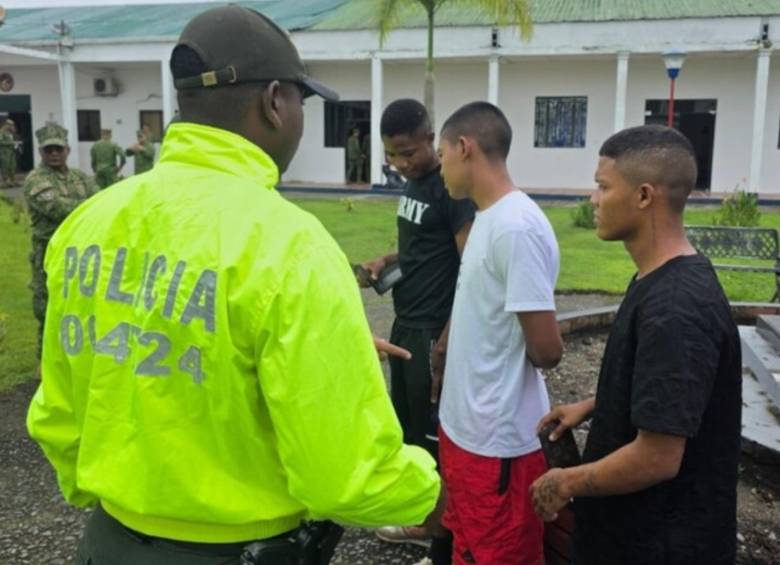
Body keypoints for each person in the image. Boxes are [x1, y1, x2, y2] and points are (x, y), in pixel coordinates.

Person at [27, 6, 443, 565]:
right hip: (237, 551)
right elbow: (346, 475)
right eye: (300, 101)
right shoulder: (290, 246)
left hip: (106, 542)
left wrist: (112, 495)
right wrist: (435, 498)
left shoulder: (88, 224)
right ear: (274, 101)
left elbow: (59, 410)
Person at [530, 125, 742, 565]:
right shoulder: (657, 279)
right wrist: (595, 405)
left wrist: (566, 481)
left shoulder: (677, 308)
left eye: (603, 186)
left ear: (644, 195)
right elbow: (671, 392)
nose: (593, 199)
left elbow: (657, 457)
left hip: (660, 544)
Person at [436, 102, 562, 565]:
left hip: (496, 442)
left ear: (464, 148)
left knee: (501, 553)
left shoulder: (515, 228)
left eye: (442, 155)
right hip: (465, 429)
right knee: (467, 546)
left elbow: (547, 350)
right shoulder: (487, 218)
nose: (441, 168)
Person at [359, 98, 474, 563]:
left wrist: (449, 337)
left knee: (432, 436)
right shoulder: (414, 185)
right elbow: (424, 246)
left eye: (408, 152)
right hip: (405, 322)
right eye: (392, 154)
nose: (400, 163)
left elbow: (472, 267)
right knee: (407, 430)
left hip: (431, 329)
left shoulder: (451, 190)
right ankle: (428, 519)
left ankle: (442, 534)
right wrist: (387, 260)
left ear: (430, 139)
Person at [23, 122, 97, 359]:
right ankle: (44, 363)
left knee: (80, 305)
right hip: (48, 254)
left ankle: (75, 358)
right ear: (40, 152)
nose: (54, 153)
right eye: (48, 150)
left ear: (67, 150)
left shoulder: (80, 177)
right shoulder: (35, 179)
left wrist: (94, 206)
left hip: (80, 252)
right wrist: (90, 207)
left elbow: (100, 200)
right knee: (47, 308)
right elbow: (57, 209)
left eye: (58, 149)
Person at [0, 119, 18, 187]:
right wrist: (11, 143)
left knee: (13, 166)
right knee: (5, 166)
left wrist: (13, 131)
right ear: (6, 124)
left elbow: (13, 139)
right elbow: (1, 142)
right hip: (4, 152)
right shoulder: (1, 132)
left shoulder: (10, 133)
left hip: (11, 152)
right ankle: (5, 182)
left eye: (12, 125)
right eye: (10, 125)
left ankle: (12, 181)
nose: (11, 126)